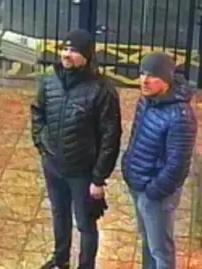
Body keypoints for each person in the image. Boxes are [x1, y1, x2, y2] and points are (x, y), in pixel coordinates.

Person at [31, 29, 122, 269]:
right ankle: (60, 260)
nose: (67, 55)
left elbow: (110, 137)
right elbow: (38, 112)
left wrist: (99, 178)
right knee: (59, 214)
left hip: (83, 172)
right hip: (53, 165)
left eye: (74, 50)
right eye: (65, 49)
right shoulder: (49, 81)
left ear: (87, 56)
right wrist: (41, 142)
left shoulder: (102, 91)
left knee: (85, 224)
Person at [121, 52, 198, 269]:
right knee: (148, 242)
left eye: (152, 75)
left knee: (161, 250)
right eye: (142, 73)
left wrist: (152, 192)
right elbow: (136, 136)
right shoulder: (146, 101)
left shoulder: (181, 117)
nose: (144, 80)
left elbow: (178, 165)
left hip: (156, 194)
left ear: (166, 80)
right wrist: (128, 165)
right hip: (138, 182)